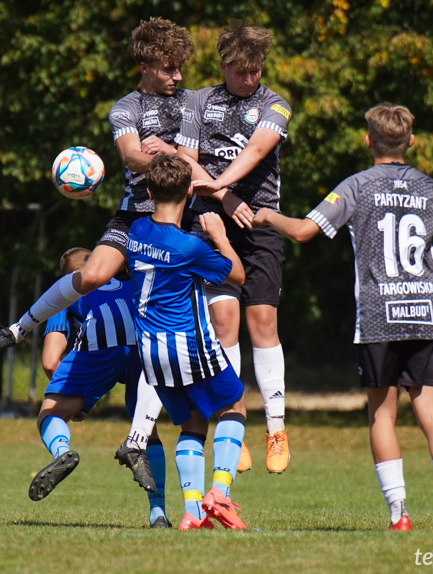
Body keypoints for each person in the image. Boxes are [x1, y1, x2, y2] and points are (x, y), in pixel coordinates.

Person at [0, 17, 195, 483]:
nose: (177, 77)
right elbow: (132, 157)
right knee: (92, 276)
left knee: (171, 321)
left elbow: (203, 157)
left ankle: (147, 438)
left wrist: (170, 148)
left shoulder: (195, 103)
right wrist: (162, 153)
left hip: (179, 218)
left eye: (180, 69)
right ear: (145, 64)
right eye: (169, 68)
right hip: (135, 214)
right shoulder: (125, 108)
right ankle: (16, 330)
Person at [251, 102, 433, 532]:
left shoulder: (356, 185)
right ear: (411, 141)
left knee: (382, 415)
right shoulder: (429, 187)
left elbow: (302, 231)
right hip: (424, 314)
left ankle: (400, 515)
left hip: (378, 318)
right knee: (432, 413)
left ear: (367, 140)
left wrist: (266, 215)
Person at [177, 22, 293, 474]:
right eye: (242, 71)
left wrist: (223, 184)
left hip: (260, 221)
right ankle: (232, 419)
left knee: (262, 320)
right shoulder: (196, 102)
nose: (251, 79)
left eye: (257, 71)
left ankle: (277, 429)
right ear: (224, 65)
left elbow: (257, 151)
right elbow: (186, 158)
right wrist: (224, 196)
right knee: (223, 322)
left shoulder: (275, 103)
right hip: (208, 219)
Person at [128, 154, 249, 531]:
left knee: (193, 425)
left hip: (152, 354)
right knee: (234, 409)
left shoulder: (135, 233)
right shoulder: (189, 247)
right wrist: (221, 237)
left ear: (149, 192)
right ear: (190, 192)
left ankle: (193, 514)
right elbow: (239, 276)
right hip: (188, 345)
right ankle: (220, 493)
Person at [29, 246, 172, 528]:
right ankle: (159, 513)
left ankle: (61, 452)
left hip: (100, 347)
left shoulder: (69, 289)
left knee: (50, 414)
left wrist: (74, 395)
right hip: (145, 346)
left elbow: (49, 362)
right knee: (146, 430)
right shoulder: (135, 282)